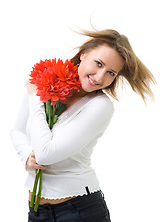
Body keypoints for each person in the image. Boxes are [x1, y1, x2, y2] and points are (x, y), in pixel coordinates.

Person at [10, 29, 155, 222]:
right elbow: (17, 131)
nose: (100, 77)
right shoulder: (48, 82)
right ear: (84, 54)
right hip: (36, 212)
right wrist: (27, 157)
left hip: (78, 211)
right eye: (99, 64)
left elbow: (46, 153)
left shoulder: (100, 106)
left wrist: (35, 96)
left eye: (110, 73)